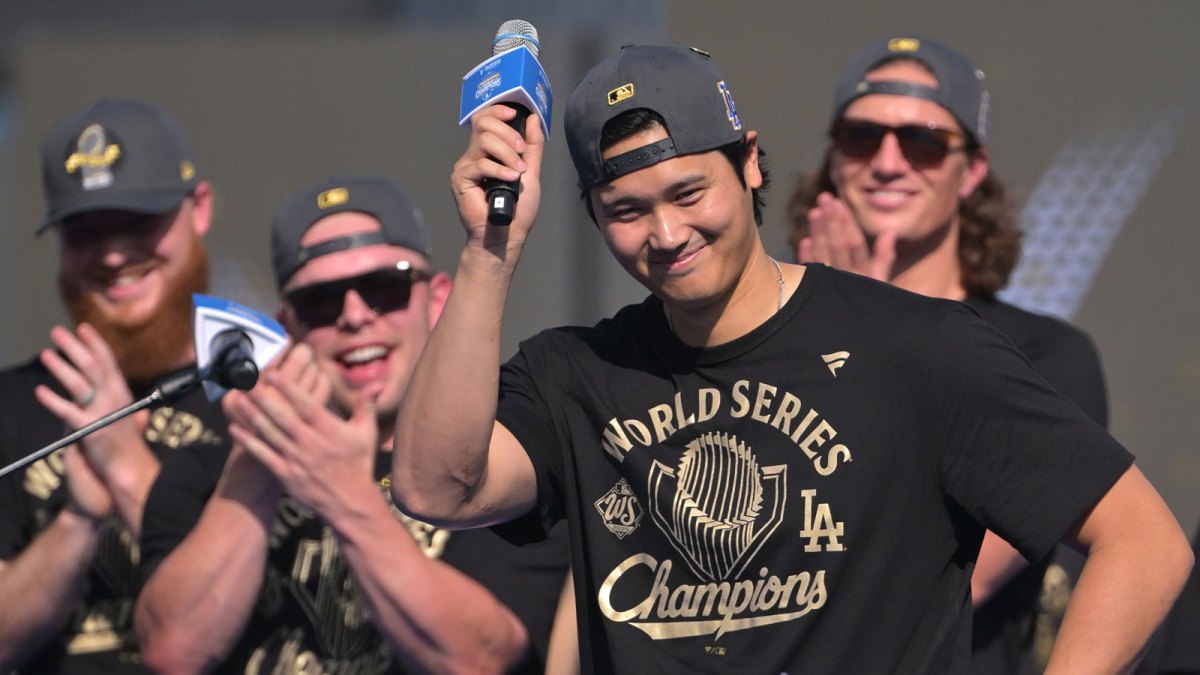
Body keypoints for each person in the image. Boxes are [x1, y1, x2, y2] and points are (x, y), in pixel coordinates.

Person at [387, 43, 1193, 673]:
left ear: (750, 162)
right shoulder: (577, 374)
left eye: (689, 193)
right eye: (627, 210)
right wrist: (491, 249)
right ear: (594, 217)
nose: (666, 235)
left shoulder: (917, 347)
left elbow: (1145, 543)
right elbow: (434, 486)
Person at [135, 177, 572, 674]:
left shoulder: (503, 460)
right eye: (320, 302)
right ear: (287, 327)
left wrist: (346, 497)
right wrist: (258, 463)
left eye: (384, 289)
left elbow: (479, 660)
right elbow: (174, 653)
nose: (355, 316)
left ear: (436, 301)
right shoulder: (210, 467)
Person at [784, 36, 1109, 672]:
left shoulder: (1045, 355)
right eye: (859, 136)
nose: (887, 162)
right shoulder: (770, 339)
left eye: (924, 141)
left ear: (973, 169)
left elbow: (954, 573)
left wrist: (862, 327)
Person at [0, 98, 224, 673]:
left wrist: (127, 465)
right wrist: (77, 519)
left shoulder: (264, 395)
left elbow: (268, 616)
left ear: (198, 208)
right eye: (84, 231)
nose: (114, 253)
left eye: (138, 220)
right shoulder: (10, 407)